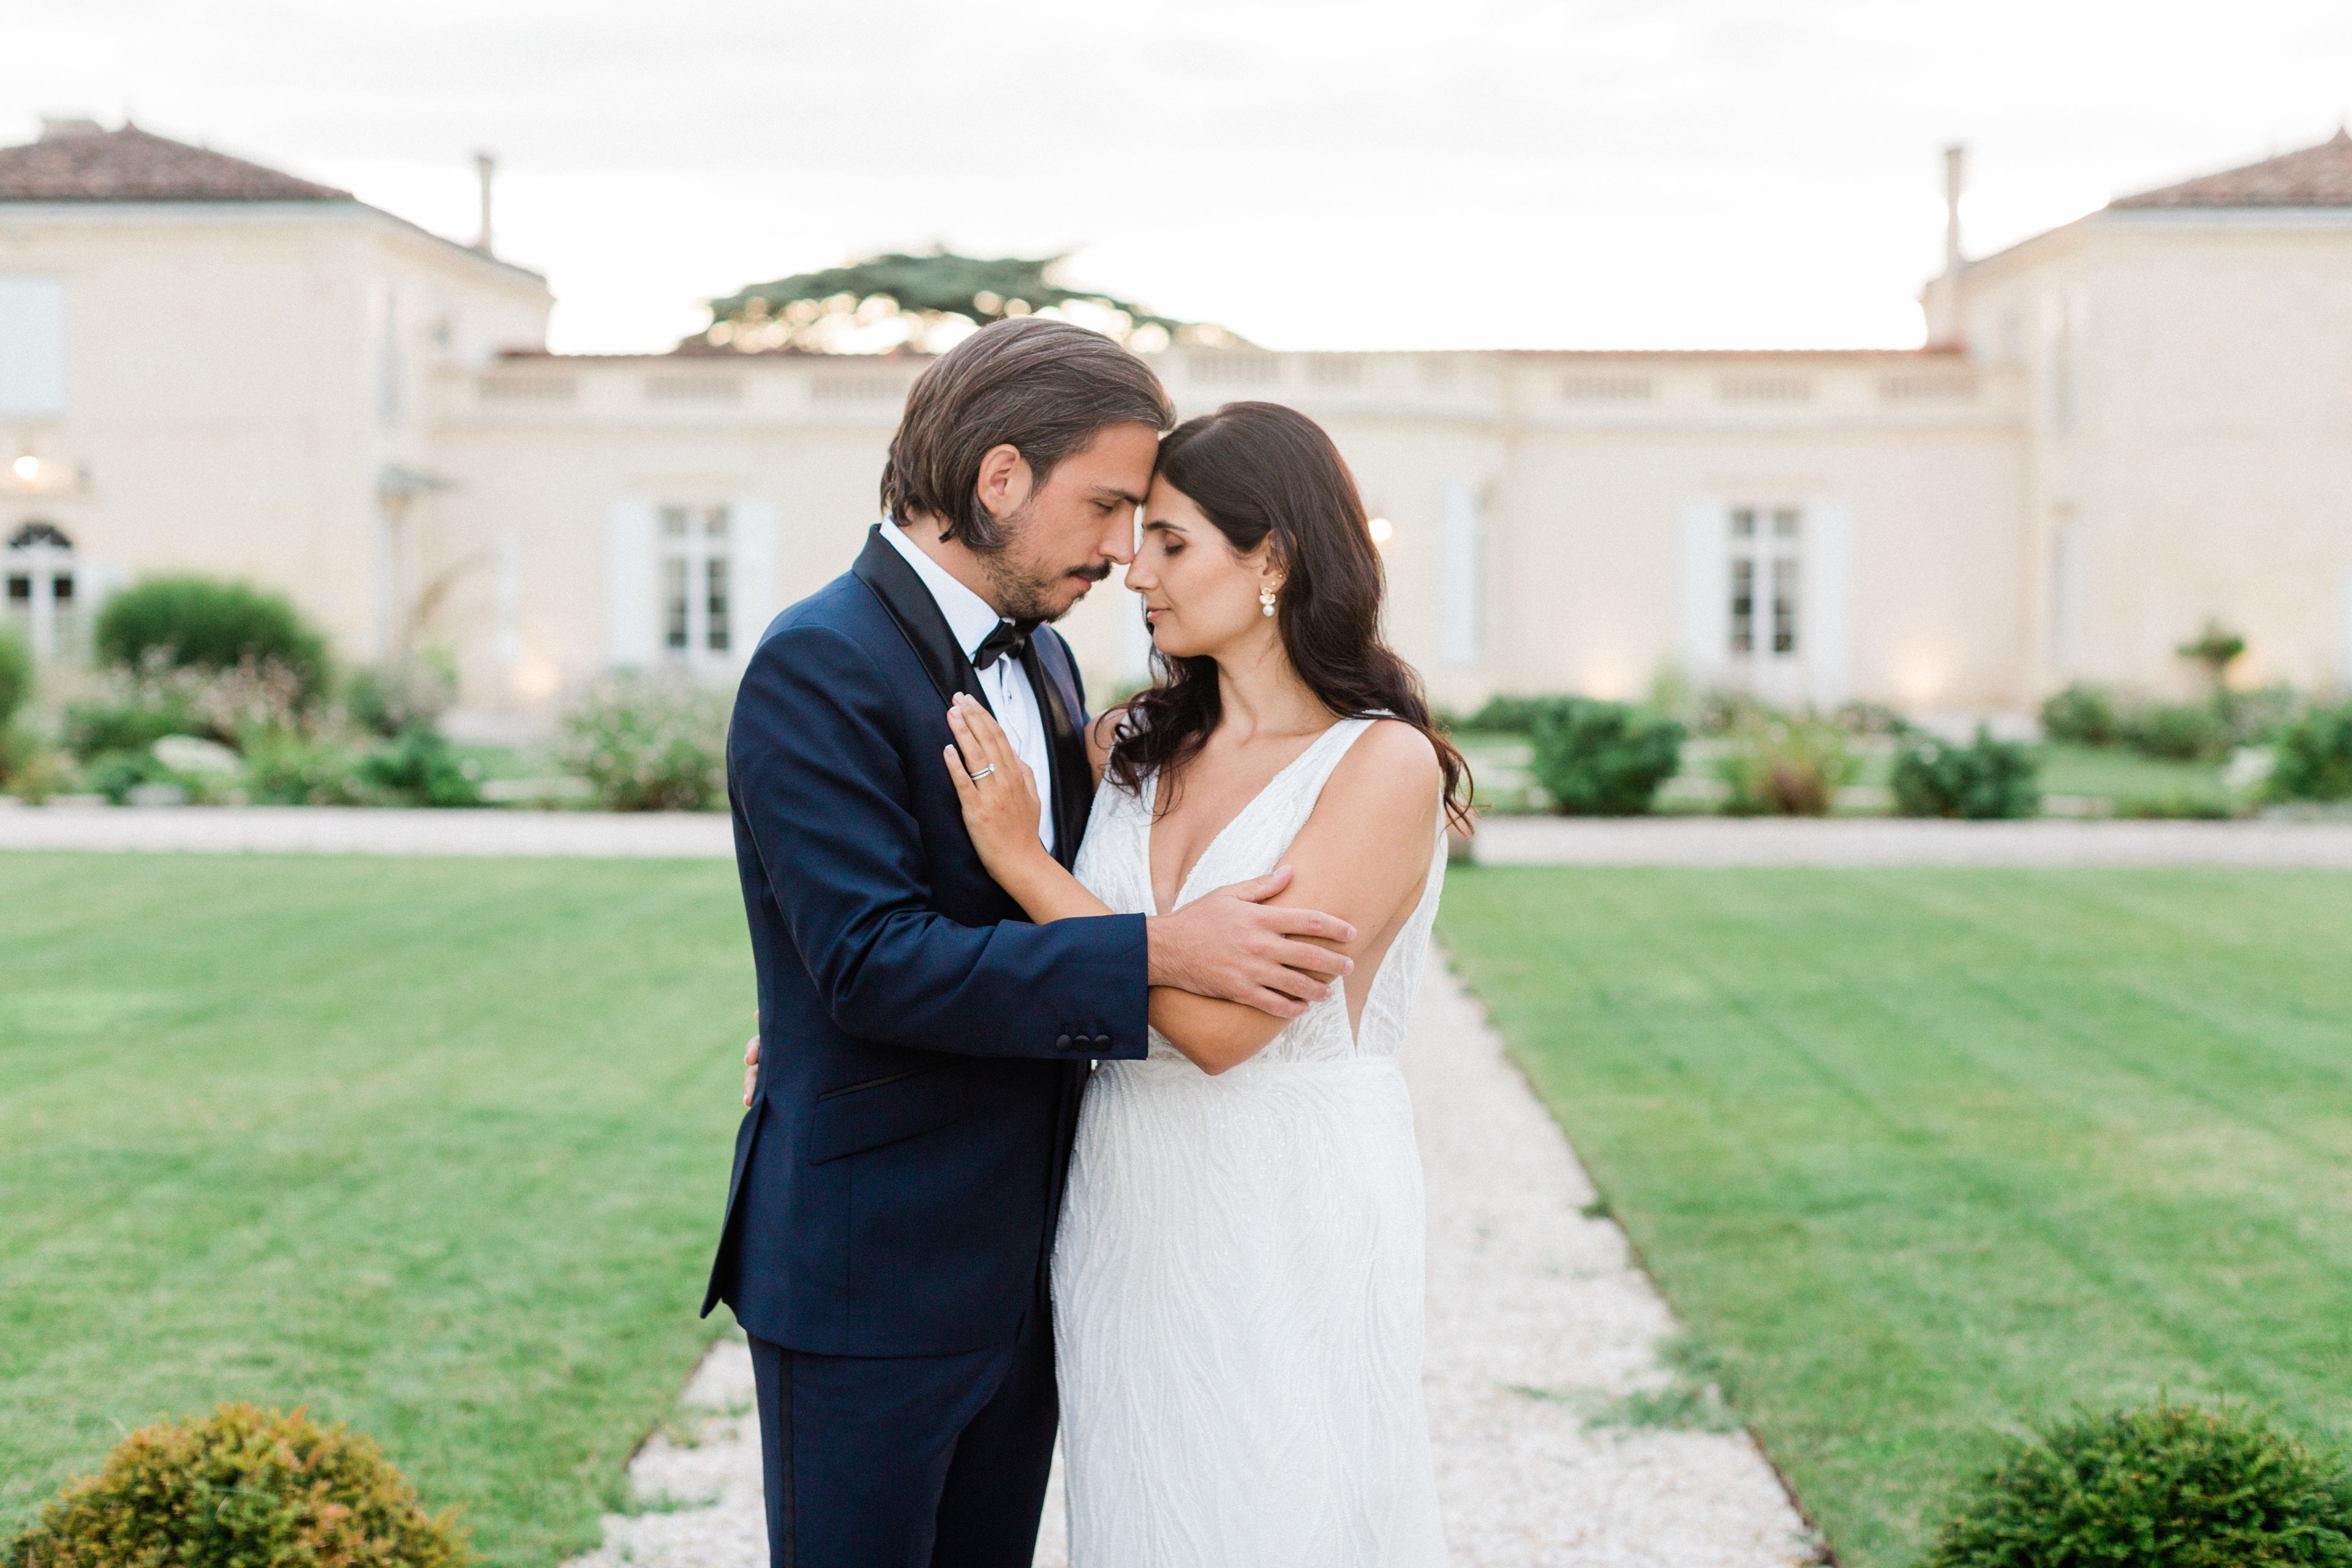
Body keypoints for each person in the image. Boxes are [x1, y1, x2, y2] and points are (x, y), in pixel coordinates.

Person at [705, 318, 1361, 1568]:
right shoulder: (816, 662)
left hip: (1040, 1261)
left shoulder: (1053, 664)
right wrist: (1161, 952)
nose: (1126, 549)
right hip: (872, 1270)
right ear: (1001, 479)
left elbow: (1026, 897)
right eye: (1110, 505)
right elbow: (872, 960)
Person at [941, 399, 1472, 1566]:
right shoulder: (1123, 751)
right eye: (1137, 536)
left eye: (1171, 542)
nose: (1136, 572)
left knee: (1281, 1508)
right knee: (1141, 1512)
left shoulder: (1380, 765)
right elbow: (1006, 957)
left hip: (1285, 1197)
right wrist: (835, 1035)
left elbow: (1226, 1030)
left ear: (1272, 555)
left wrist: (1028, 863)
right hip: (1128, 1194)